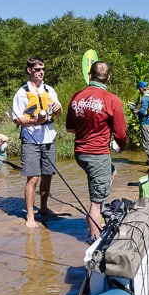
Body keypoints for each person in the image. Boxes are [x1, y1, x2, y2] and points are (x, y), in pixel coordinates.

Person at [66, 61, 128, 244]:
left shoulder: (76, 97)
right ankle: (95, 240)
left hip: (80, 153)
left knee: (112, 172)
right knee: (97, 203)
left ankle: (94, 207)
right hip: (97, 155)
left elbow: (70, 128)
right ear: (108, 78)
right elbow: (121, 134)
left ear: (90, 76)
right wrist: (121, 146)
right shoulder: (112, 100)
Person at [12, 56, 62, 228]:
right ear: (29, 70)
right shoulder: (21, 92)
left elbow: (59, 113)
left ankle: (44, 207)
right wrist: (33, 121)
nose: (41, 72)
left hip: (48, 139)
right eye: (38, 69)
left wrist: (58, 109)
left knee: (47, 175)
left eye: (43, 69)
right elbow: (16, 119)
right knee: (33, 177)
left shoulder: (50, 90)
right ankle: (30, 215)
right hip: (30, 139)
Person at [130, 81, 149, 165]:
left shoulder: (145, 98)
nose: (139, 91)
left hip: (145, 123)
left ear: (142, 89)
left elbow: (143, 112)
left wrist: (135, 111)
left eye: (139, 89)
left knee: (147, 143)